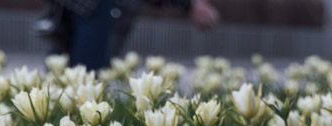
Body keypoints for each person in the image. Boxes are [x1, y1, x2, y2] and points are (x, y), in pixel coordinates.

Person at [38, 0, 220, 72]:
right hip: (93, 10)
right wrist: (189, 5)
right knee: (84, 80)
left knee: (66, 77)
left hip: (81, 10)